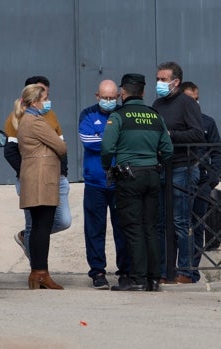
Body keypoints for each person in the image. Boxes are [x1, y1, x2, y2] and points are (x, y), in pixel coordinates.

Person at [101, 73, 174, 291]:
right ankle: (153, 278)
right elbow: (168, 150)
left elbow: (106, 148)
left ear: (123, 93)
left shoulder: (119, 116)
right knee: (150, 227)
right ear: (143, 92)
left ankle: (137, 279)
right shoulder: (155, 116)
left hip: (129, 176)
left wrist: (108, 166)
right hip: (152, 174)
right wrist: (154, 161)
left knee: (133, 228)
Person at [4, 76, 71, 258]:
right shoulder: (19, 119)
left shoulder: (49, 115)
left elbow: (62, 146)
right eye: (43, 97)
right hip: (33, 178)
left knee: (63, 221)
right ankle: (37, 268)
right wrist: (26, 172)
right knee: (35, 224)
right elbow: (10, 151)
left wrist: (62, 173)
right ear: (32, 98)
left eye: (47, 95)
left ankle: (30, 242)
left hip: (56, 177)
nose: (47, 100)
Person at [152, 62, 204, 284]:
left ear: (176, 82)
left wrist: (170, 135)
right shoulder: (157, 103)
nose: (160, 83)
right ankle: (165, 270)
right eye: (158, 79)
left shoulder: (187, 104)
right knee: (163, 222)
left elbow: (197, 134)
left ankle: (187, 270)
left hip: (183, 167)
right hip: (163, 167)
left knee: (181, 221)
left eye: (164, 80)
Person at [78, 79, 131, 289]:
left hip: (120, 183)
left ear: (118, 97)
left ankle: (125, 271)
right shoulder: (88, 114)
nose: (108, 101)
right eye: (104, 97)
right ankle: (97, 271)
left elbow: (128, 142)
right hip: (95, 183)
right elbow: (87, 140)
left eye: (112, 97)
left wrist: (104, 138)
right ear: (97, 96)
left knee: (123, 229)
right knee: (94, 230)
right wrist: (113, 140)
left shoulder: (122, 114)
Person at [15, 83, 67, 290]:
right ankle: (41, 273)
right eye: (45, 99)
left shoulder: (25, 120)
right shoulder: (36, 121)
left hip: (33, 177)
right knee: (42, 228)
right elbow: (61, 146)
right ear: (35, 101)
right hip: (41, 179)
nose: (47, 102)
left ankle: (37, 273)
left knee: (37, 227)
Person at [181, 81, 221, 281]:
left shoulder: (208, 122)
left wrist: (214, 176)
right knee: (179, 224)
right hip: (179, 181)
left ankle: (192, 270)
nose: (195, 103)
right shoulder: (177, 123)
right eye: (190, 99)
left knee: (198, 225)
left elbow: (217, 150)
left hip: (203, 182)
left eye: (196, 99)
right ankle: (178, 267)